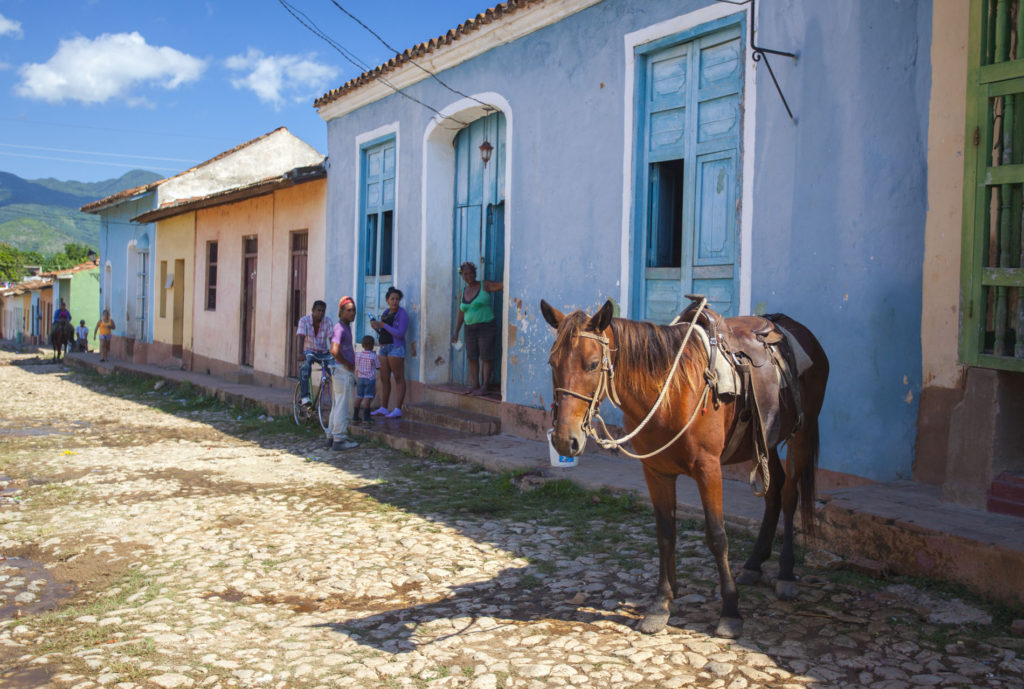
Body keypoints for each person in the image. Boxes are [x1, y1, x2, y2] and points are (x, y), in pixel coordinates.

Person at [451, 261, 503, 395]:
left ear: (475, 273)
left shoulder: (484, 285)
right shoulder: (463, 291)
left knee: (486, 356)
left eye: (470, 273)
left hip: (486, 327)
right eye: (465, 274)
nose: (468, 276)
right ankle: (475, 385)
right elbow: (462, 312)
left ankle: (485, 386)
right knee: (472, 357)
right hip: (469, 329)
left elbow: (504, 285)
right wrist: (456, 331)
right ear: (462, 276)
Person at [369, 287, 409, 418]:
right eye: (392, 299)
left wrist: (384, 325)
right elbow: (383, 332)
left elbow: (400, 333)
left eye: (397, 299)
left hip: (396, 348)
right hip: (384, 347)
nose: (395, 301)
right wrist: (376, 327)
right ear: (387, 300)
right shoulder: (386, 312)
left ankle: (398, 409)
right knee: (384, 378)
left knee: (398, 378)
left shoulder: (402, 314)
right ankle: (383, 407)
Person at [328, 296, 359, 451]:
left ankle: (331, 435)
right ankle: (339, 439)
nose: (352, 313)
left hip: (340, 371)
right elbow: (334, 350)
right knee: (343, 406)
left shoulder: (346, 327)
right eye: (349, 310)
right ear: (341, 312)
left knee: (337, 404)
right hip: (342, 371)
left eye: (354, 310)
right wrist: (347, 363)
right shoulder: (340, 328)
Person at [295, 300, 334, 406]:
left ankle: (338, 397)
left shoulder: (328, 321)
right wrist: (300, 352)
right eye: (318, 310)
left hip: (324, 352)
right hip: (309, 351)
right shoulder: (304, 321)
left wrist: (335, 353)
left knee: (335, 369)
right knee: (305, 366)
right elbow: (301, 336)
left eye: (323, 311)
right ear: (313, 311)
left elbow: (332, 338)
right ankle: (305, 397)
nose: (321, 313)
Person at [354, 335, 381, 424]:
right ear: (373, 345)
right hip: (370, 379)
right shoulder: (373, 356)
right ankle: (366, 417)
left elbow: (356, 364)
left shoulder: (358, 355)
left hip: (360, 378)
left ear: (362, 345)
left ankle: (355, 416)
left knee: (359, 396)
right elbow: (378, 366)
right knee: (367, 397)